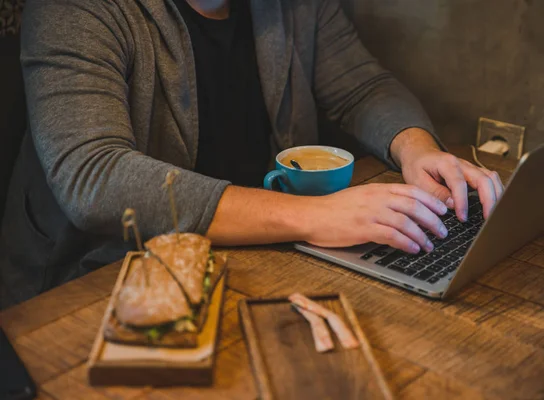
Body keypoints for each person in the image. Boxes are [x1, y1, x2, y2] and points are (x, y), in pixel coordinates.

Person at [0, 0, 503, 309]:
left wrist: (418, 150)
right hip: (97, 282)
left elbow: (362, 85)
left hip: (252, 259)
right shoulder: (74, 8)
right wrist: (314, 217)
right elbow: (95, 178)